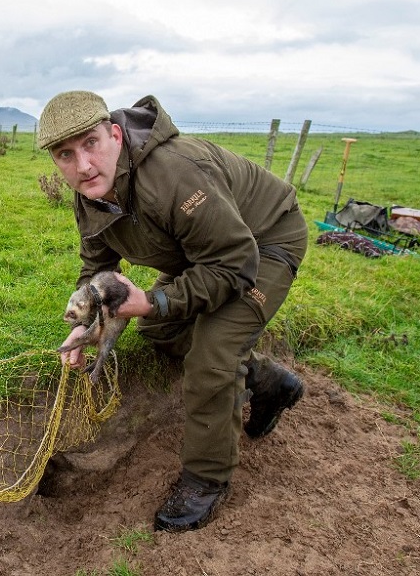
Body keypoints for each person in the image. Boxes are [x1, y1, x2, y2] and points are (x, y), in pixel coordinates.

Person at [39, 90, 308, 533]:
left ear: (115, 134)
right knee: (158, 332)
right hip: (200, 254)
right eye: (65, 155)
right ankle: (268, 382)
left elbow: (236, 262)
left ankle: (207, 478)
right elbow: (98, 268)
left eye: (90, 144)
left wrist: (154, 300)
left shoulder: (174, 175)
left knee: (212, 354)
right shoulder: (90, 193)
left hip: (262, 244)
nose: (83, 165)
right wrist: (88, 325)